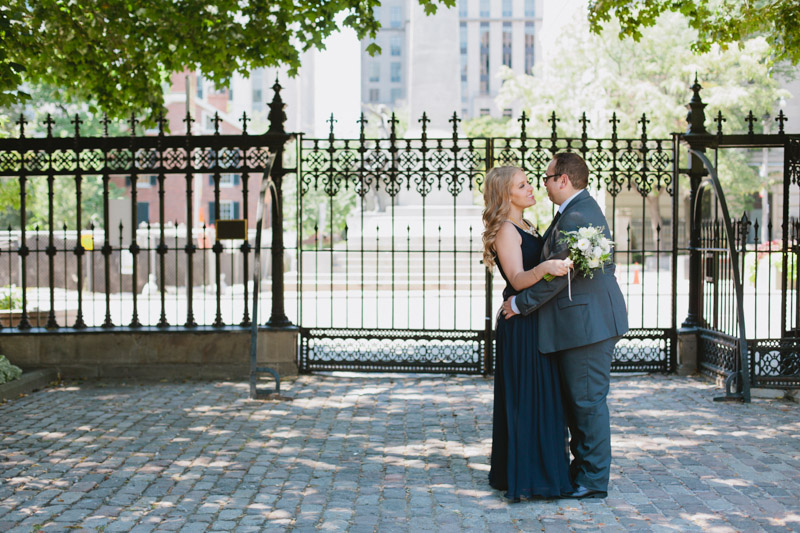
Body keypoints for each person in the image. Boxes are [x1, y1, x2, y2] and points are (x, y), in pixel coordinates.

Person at [502, 152, 629, 499]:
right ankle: (582, 471)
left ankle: (592, 480)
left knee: (587, 404)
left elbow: (560, 276)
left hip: (588, 326)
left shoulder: (576, 216)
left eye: (545, 178)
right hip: (582, 324)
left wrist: (519, 303)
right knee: (579, 403)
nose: (542, 185)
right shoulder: (575, 212)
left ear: (563, 179)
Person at [482, 165, 574, 501]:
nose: (532, 188)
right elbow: (518, 279)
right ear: (506, 195)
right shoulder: (506, 229)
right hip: (520, 325)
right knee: (528, 399)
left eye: (529, 182)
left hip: (535, 320)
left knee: (542, 398)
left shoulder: (526, 224)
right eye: (522, 185)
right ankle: (529, 478)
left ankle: (537, 473)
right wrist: (547, 267)